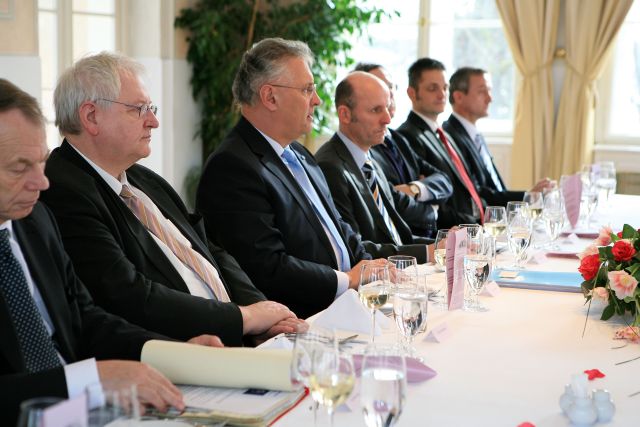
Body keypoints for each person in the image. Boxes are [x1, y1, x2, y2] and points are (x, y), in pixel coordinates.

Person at [0, 78, 225, 425]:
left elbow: (85, 319)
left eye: (41, 162)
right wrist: (91, 380)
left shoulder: (35, 221)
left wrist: (170, 354)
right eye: (19, 167)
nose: (42, 182)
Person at [40, 52, 300, 347]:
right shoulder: (62, 190)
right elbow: (126, 295)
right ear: (91, 116)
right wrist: (243, 318)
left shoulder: (144, 179)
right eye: (139, 109)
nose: (153, 122)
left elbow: (211, 250)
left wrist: (263, 314)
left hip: (237, 338)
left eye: (151, 108)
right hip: (181, 355)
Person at [196, 38, 382, 319]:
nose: (317, 100)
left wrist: (371, 271)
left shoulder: (299, 153)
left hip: (350, 307)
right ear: (270, 97)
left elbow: (339, 230)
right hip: (301, 321)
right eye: (307, 89)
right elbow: (266, 268)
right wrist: (348, 280)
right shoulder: (232, 167)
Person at [315, 72, 435, 263]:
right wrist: (428, 252)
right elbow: (354, 249)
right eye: (376, 110)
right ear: (345, 114)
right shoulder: (330, 167)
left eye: (387, 107)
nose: (387, 119)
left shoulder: (370, 161)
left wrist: (442, 244)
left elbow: (396, 237)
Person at [354, 63, 453, 237]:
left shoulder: (397, 138)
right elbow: (391, 203)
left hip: (423, 239)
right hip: (403, 242)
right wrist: (431, 210)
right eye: (381, 87)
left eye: (391, 87)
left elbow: (444, 180)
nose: (389, 93)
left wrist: (415, 189)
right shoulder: (362, 147)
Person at [443, 67, 553, 205]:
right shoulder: (449, 137)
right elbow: (475, 192)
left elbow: (493, 186)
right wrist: (527, 196)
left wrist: (529, 196)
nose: (490, 98)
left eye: (489, 91)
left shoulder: (474, 134)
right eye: (482, 91)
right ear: (458, 97)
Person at [397, 58, 484, 227]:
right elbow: (429, 200)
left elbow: (470, 188)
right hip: (450, 231)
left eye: (445, 88)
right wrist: (473, 225)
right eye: (432, 88)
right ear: (412, 93)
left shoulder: (445, 134)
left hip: (474, 223)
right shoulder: (407, 135)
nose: (442, 94)